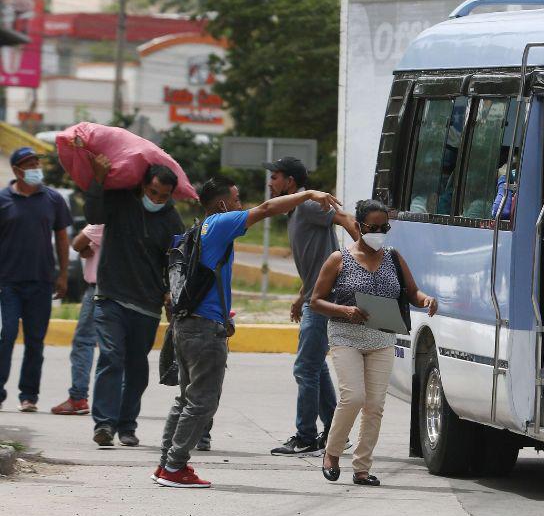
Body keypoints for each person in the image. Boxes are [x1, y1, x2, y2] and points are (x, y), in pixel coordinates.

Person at [155, 176, 341, 488]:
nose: (242, 206)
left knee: (186, 400)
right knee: (202, 402)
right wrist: (308, 193)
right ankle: (175, 467)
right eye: (238, 199)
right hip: (203, 331)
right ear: (223, 204)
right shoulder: (221, 223)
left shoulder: (200, 229)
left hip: (188, 326)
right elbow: (268, 208)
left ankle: (165, 463)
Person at [311, 199, 437, 487]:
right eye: (373, 227)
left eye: (384, 227)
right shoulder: (339, 259)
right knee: (353, 397)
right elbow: (315, 301)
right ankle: (331, 453)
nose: (379, 232)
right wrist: (344, 310)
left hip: (382, 339)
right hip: (346, 338)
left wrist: (426, 300)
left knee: (375, 405)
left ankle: (362, 467)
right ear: (358, 226)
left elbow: (412, 292)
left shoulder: (393, 257)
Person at [84, 154, 184, 447]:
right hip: (111, 297)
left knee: (137, 367)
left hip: (147, 304)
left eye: (163, 196)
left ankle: (126, 424)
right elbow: (93, 215)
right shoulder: (120, 201)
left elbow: (176, 260)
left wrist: (170, 291)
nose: (157, 199)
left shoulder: (170, 219)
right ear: (143, 186)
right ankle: (104, 424)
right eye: (153, 192)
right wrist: (98, 180)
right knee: (111, 357)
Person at [264, 156, 360, 457]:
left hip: (326, 299)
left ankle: (305, 436)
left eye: (276, 177)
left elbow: (343, 218)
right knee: (315, 367)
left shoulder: (307, 206)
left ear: (291, 182)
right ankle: (335, 433)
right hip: (314, 296)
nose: (271, 182)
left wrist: (367, 258)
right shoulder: (294, 211)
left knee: (305, 368)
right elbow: (320, 259)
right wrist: (300, 295)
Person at [0, 147, 71, 412]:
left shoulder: (52, 199)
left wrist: (62, 274)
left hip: (41, 281)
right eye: (29, 164)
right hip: (8, 282)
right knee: (5, 335)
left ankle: (28, 396)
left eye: (37, 162)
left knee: (35, 340)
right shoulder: (3, 199)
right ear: (17, 170)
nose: (35, 167)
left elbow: (62, 239)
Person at [51, 223, 104, 415]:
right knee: (115, 348)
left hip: (100, 288)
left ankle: (78, 397)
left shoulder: (105, 218)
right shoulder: (140, 217)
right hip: (128, 290)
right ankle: (113, 401)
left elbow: (77, 242)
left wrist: (83, 248)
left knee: (84, 342)